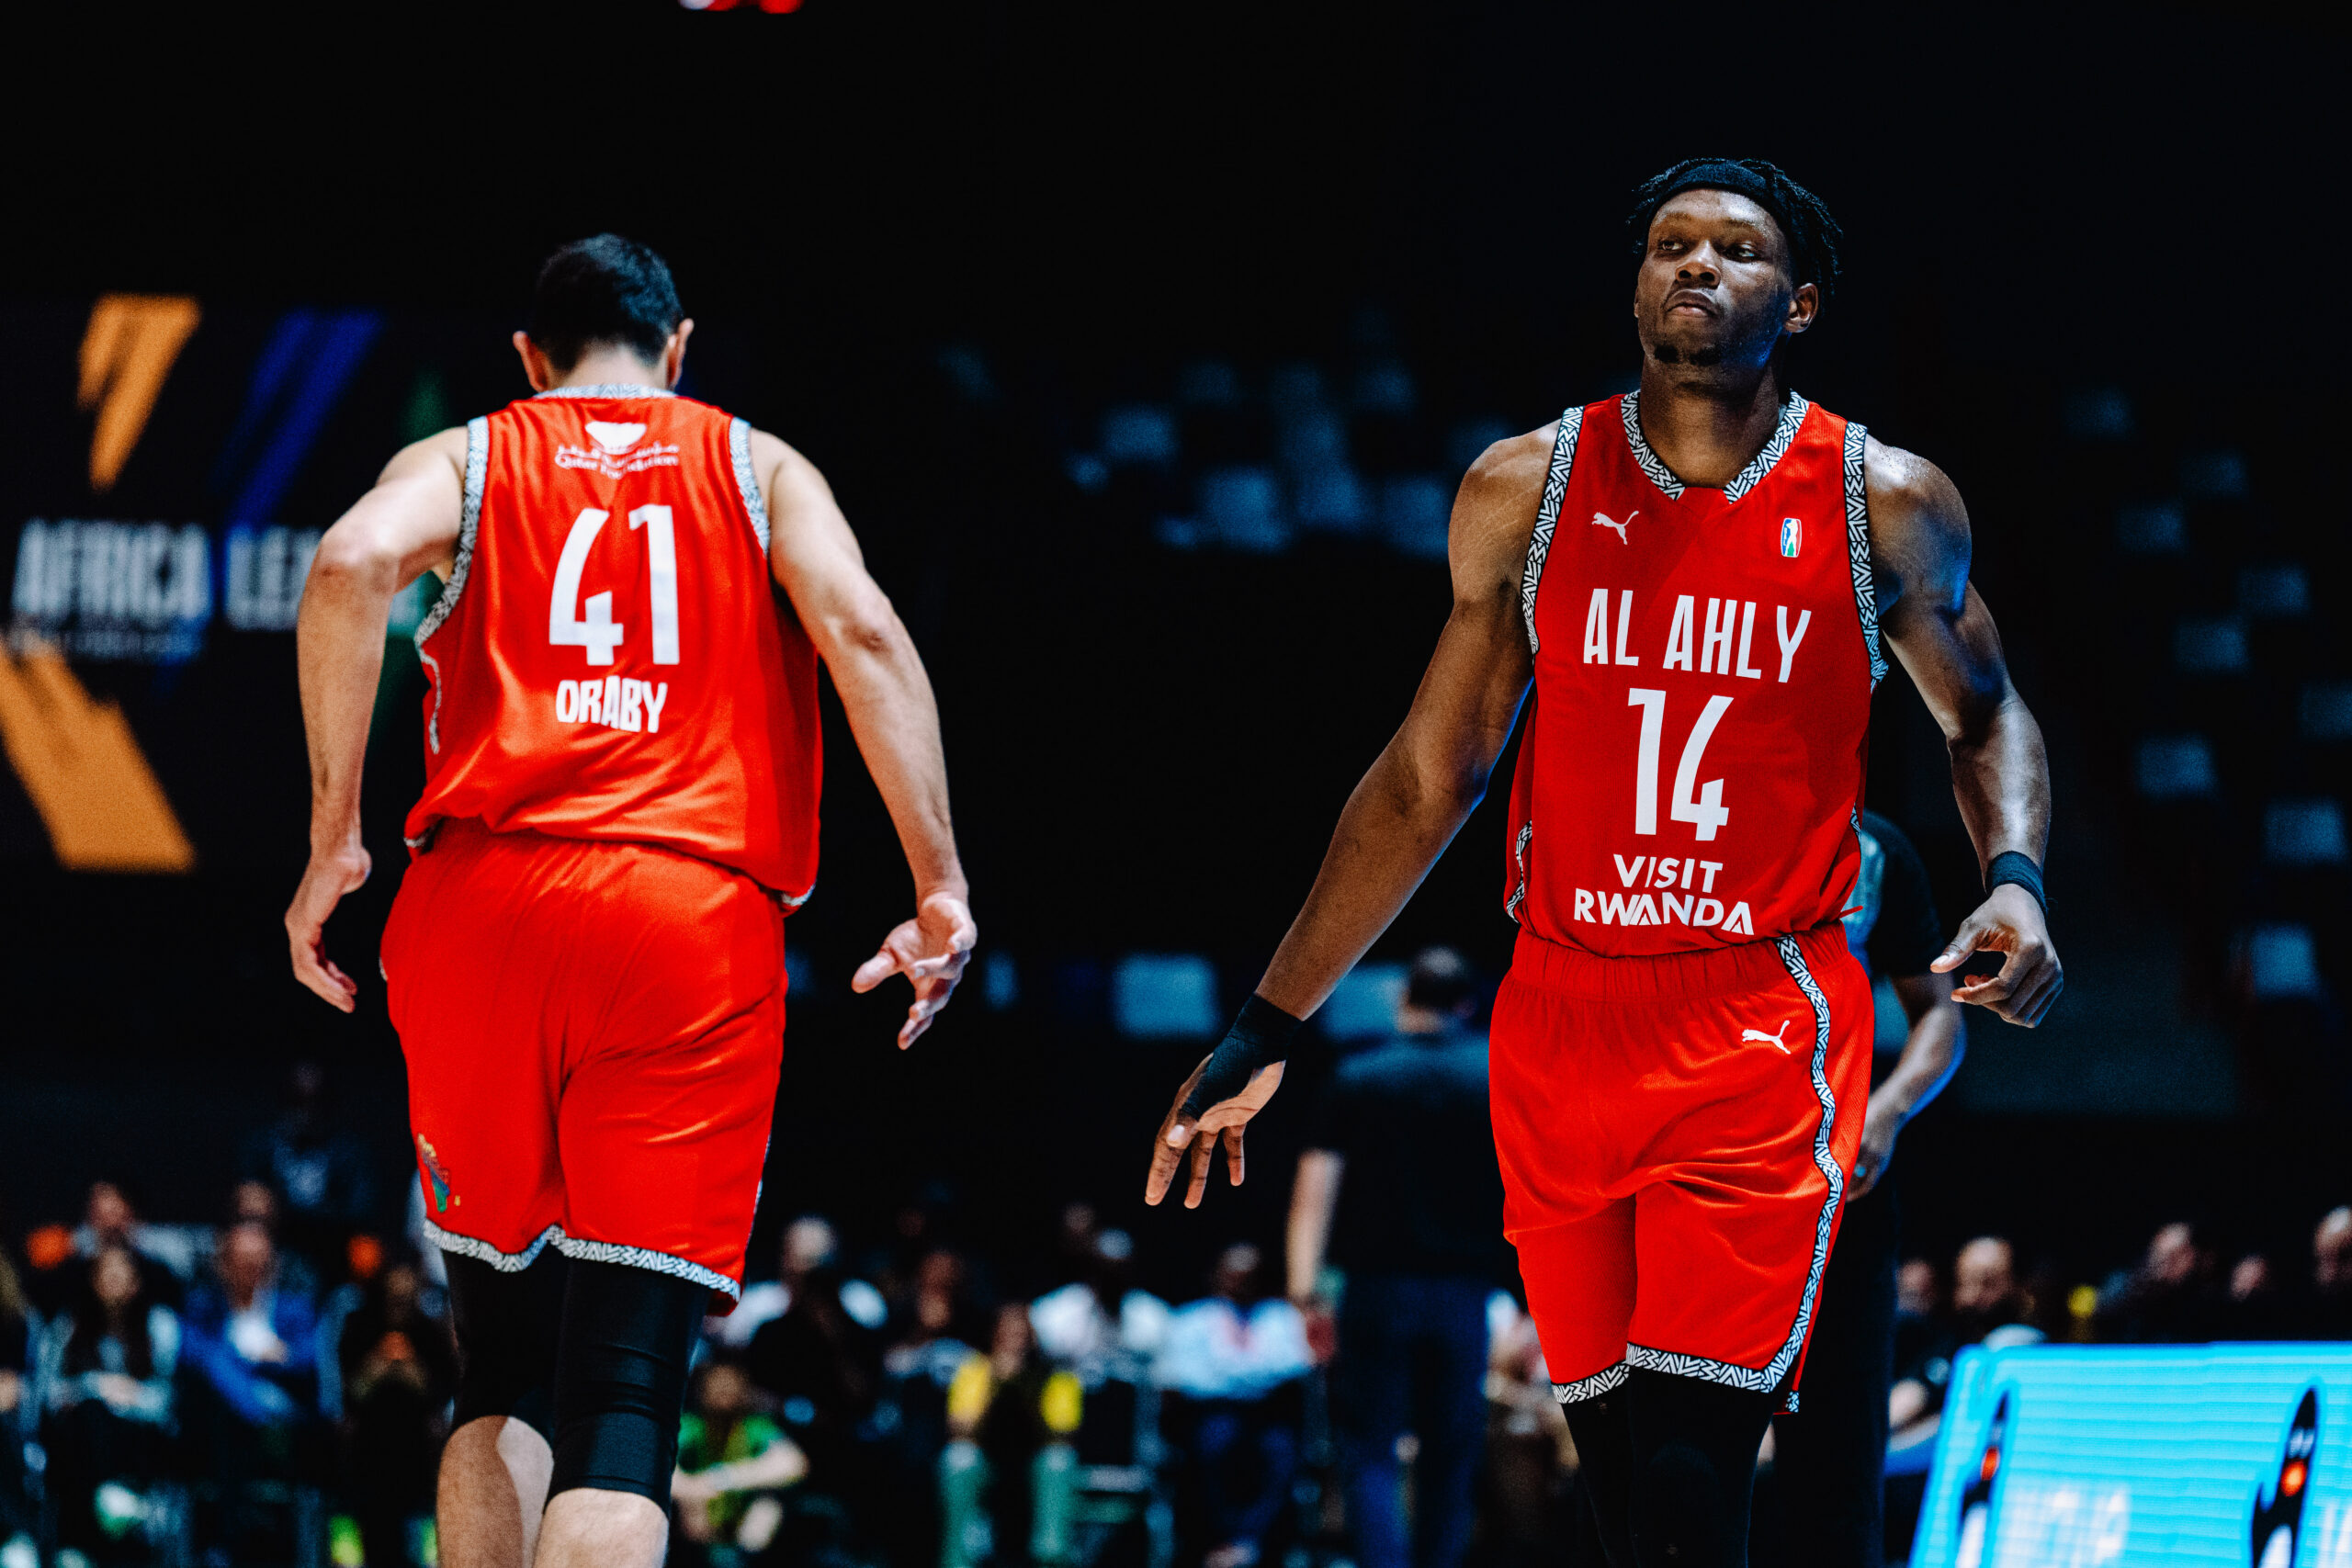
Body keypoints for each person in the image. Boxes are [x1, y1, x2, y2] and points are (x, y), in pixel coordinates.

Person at [1144, 157, 2063, 1568]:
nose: (1697, 264)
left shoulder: (1882, 498)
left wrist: (2015, 874)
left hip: (1755, 1014)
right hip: (1562, 1017)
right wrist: (1270, 1020)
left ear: (1800, 302)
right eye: (1670, 244)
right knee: (1629, 1489)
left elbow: (1987, 711)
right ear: (1634, 285)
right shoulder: (1526, 486)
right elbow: (1426, 780)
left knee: (1693, 1477)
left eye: (1736, 248)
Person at [285, 233, 977, 1568]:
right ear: (679, 345)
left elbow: (346, 563)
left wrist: (332, 841)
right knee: (622, 1395)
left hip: (481, 905)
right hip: (682, 915)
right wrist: (936, 880)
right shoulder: (759, 466)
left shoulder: (468, 457)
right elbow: (864, 631)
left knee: (497, 1361)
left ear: (527, 358)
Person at [1768, 809, 1962, 1568]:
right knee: (1679, 1466)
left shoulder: (1877, 848)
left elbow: (1940, 1016)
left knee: (1841, 1479)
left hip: (1840, 1192)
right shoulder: (1685, 820)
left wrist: (1886, 1111)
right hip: (1703, 1185)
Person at [1284, 945, 1502, 1568]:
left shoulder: (1359, 1075)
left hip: (1376, 1289)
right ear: (1469, 1003)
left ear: (1404, 998)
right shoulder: (1493, 1074)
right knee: (1451, 1449)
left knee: (1370, 1446)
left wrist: (1305, 1287)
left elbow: (1315, 1191)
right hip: (1464, 1290)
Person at [1155, 1245, 1312, 1568]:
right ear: (1217, 1277)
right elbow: (1182, 1377)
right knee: (1214, 1445)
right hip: (1212, 1414)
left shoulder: (1282, 1318)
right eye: (1234, 1276)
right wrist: (1252, 1377)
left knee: (1280, 1453)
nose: (1241, 1284)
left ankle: (1249, 1540)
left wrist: (1229, 1375)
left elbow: (1297, 1364)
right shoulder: (1191, 1319)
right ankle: (1220, 1540)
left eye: (1249, 1277)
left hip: (1269, 1416)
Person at [39, 1247, 180, 1561]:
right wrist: (96, 1386)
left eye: (121, 1273)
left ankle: (96, 1528)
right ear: (93, 1281)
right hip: (82, 1443)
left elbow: (169, 1400)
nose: (114, 1279)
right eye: (106, 1273)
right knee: (91, 1415)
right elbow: (49, 1394)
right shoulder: (68, 1326)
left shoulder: (160, 1325)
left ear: (136, 1282)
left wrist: (135, 1396)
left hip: (139, 1440)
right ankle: (107, 1498)